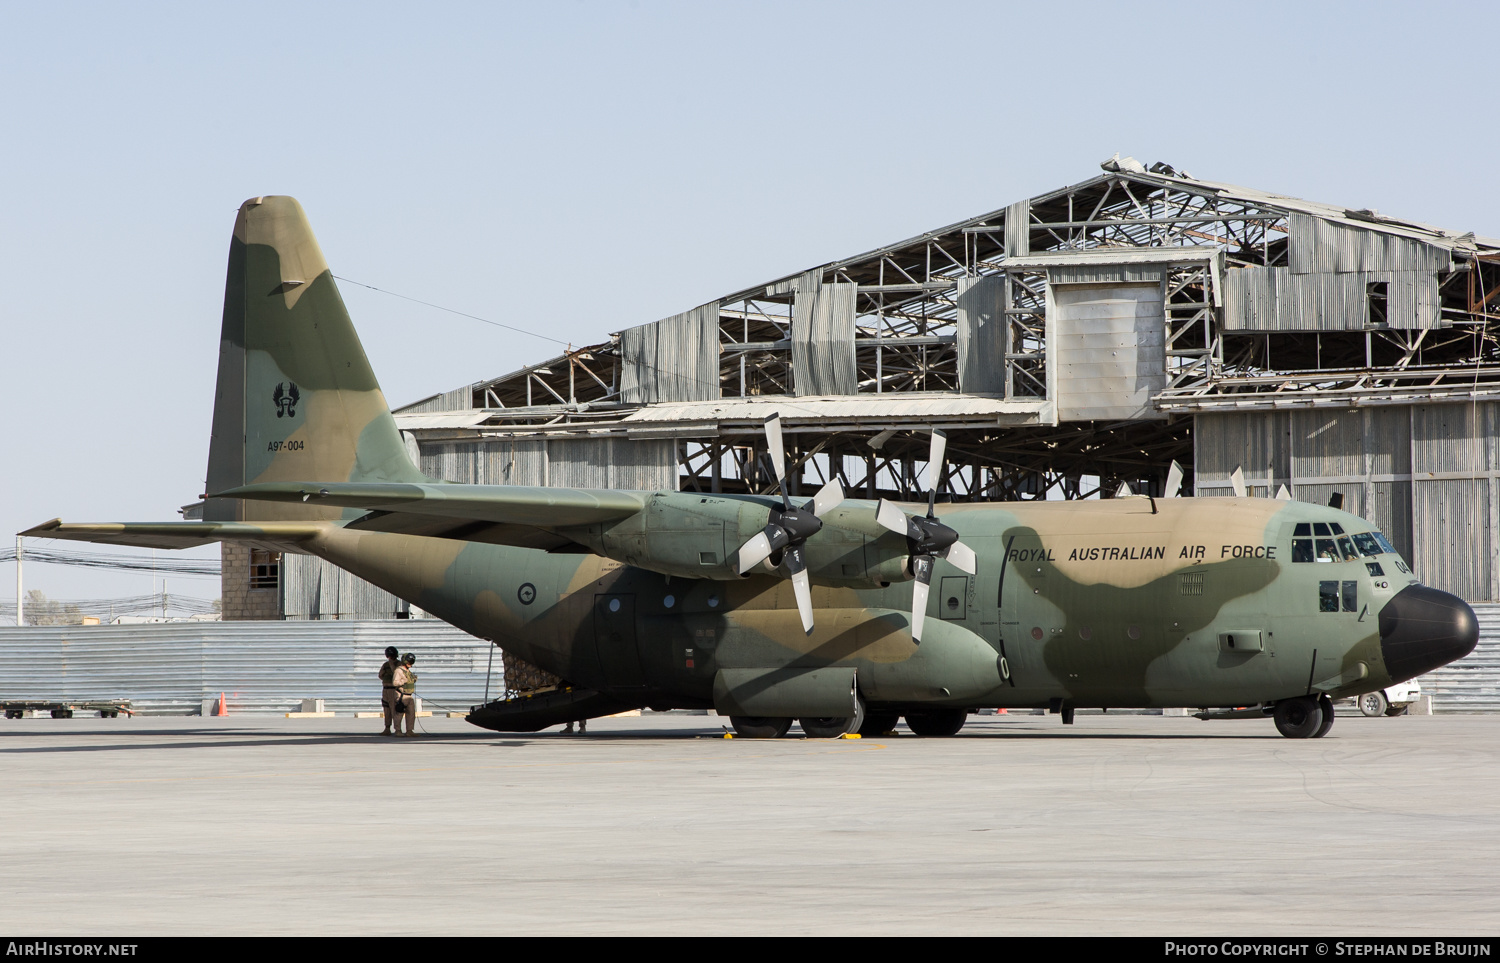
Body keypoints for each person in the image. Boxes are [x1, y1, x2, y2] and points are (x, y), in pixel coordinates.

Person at [392, 652, 419, 737]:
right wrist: (404, 681)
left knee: (411, 714)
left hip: (409, 696)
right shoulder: (398, 671)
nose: (410, 664)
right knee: (399, 714)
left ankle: (409, 730)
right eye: (409, 662)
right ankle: (398, 730)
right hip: (402, 696)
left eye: (412, 662)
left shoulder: (408, 671)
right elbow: (395, 683)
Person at [378, 646, 401, 736]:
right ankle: (387, 728)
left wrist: (391, 664)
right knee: (386, 709)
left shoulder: (399, 664)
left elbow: (397, 674)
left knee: (394, 710)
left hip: (393, 690)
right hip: (385, 689)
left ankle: (397, 729)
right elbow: (380, 675)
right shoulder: (385, 664)